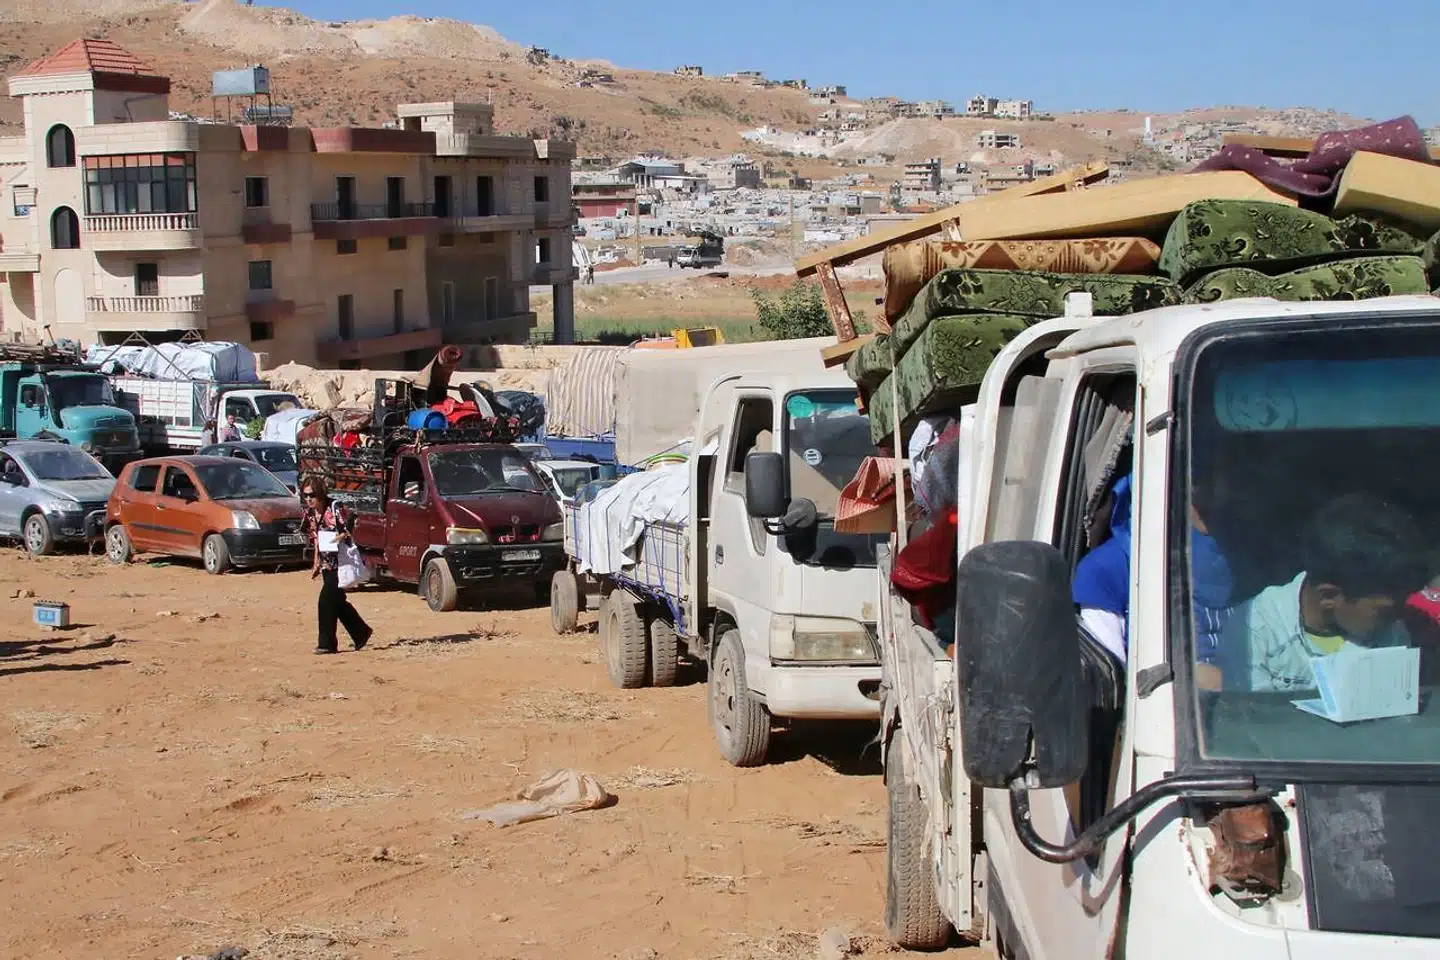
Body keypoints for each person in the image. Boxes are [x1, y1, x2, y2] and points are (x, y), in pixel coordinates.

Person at [1218, 492, 1427, 693]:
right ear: (1328, 596)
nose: (1398, 618)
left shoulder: (1391, 631)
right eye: (1385, 612)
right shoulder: (1255, 631)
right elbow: (1253, 712)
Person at [301, 479, 372, 655]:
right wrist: (316, 563)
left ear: (320, 494)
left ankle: (327, 644)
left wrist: (337, 538)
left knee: (325, 601)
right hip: (326, 564)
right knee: (337, 601)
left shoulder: (334, 507)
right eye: (306, 495)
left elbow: (347, 529)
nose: (309, 499)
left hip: (340, 562)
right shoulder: (310, 513)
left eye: (312, 495)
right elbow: (316, 539)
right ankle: (361, 632)